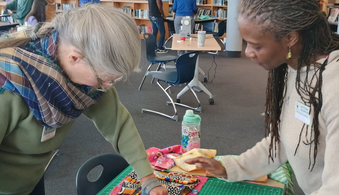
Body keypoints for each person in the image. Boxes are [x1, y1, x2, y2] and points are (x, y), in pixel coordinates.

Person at [0, 4, 167, 195]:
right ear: (74, 58)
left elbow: (119, 125)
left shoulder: (91, 80)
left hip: (32, 179)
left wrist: (148, 179)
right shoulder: (6, 87)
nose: (107, 87)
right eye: (105, 78)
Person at [186, 0, 339, 194]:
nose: (248, 52)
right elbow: (284, 139)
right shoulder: (296, 69)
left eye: (256, 46)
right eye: (246, 42)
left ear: (290, 38)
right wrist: (230, 167)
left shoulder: (333, 87)